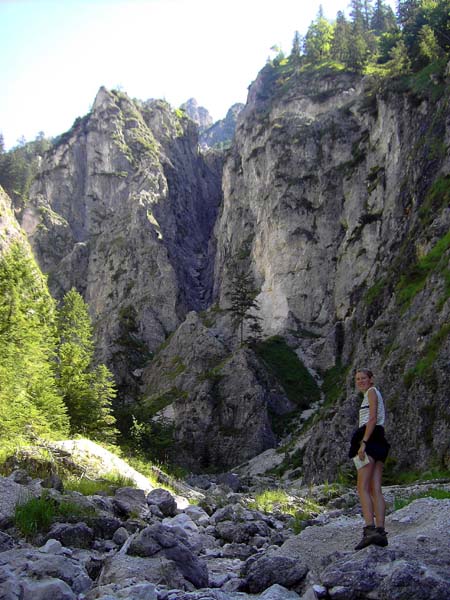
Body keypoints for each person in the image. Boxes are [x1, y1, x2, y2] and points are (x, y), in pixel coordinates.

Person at [348, 368, 390, 550]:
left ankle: (369, 529)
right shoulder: (374, 393)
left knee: (362, 487)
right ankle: (380, 531)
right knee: (375, 488)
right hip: (379, 438)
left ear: (371, 379)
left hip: (370, 437)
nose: (360, 381)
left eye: (363, 378)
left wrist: (363, 443)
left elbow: (371, 418)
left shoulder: (372, 392)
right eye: (357, 379)